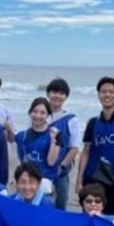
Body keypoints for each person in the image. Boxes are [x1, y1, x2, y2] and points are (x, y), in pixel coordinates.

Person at [78, 77, 114, 217]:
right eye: (103, 91)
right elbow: (86, 152)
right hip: (91, 179)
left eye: (111, 91)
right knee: (89, 221)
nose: (107, 95)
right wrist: (79, 180)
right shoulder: (93, 122)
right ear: (98, 95)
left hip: (113, 181)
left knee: (112, 222)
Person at [14, 97, 71, 204]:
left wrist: (54, 141)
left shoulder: (55, 135)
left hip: (45, 184)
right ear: (30, 113)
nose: (38, 116)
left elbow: (51, 162)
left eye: (42, 113)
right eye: (35, 112)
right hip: (27, 184)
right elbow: (22, 162)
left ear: (48, 115)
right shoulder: (22, 136)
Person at [43, 77, 81, 210]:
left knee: (60, 208)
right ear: (48, 94)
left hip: (60, 174)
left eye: (61, 93)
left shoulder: (71, 119)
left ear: (66, 97)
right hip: (40, 171)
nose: (57, 96)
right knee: (40, 206)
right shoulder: (39, 115)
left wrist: (62, 166)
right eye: (54, 92)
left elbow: (75, 147)